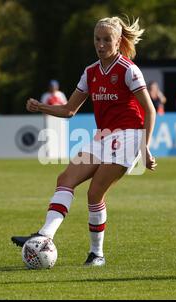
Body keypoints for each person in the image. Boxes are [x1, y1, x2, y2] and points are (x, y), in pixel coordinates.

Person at [11, 16, 157, 266]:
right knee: (65, 179)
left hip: (128, 137)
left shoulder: (128, 70)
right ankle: (44, 235)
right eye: (97, 39)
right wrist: (41, 107)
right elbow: (69, 110)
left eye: (106, 40)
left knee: (94, 194)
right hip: (102, 137)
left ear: (118, 41)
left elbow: (150, 110)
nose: (100, 45)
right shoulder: (90, 72)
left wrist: (144, 147)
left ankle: (96, 254)